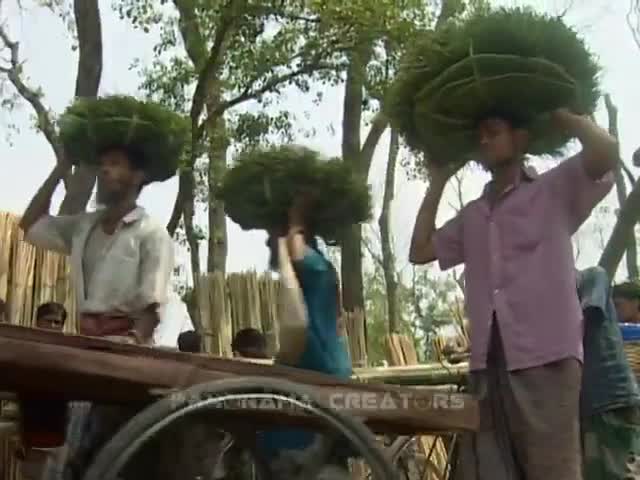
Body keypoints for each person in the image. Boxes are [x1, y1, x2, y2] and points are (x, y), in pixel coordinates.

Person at [411, 108, 617, 480]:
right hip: (488, 363)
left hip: (547, 355)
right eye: (481, 135)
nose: (484, 140)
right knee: (494, 470)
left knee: (553, 470)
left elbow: (605, 155)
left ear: (521, 139)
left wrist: (568, 119)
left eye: (494, 131)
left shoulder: (553, 189)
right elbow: (420, 250)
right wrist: (438, 181)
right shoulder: (474, 215)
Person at [20, 147, 174, 480]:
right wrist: (61, 167)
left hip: (124, 353)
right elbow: (30, 224)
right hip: (83, 352)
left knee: (107, 456)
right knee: (74, 454)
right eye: (102, 164)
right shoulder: (84, 225)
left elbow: (151, 310)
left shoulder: (152, 233)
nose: (105, 171)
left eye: (115, 165)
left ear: (138, 177)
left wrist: (125, 361)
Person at [257, 194, 352, 477]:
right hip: (311, 373)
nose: (267, 243)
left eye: (270, 236)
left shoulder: (315, 265)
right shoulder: (318, 270)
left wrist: (295, 220)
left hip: (317, 373)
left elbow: (298, 253)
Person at [577, 266, 640, 480]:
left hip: (612, 398)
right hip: (595, 404)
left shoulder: (593, 276)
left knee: (619, 473)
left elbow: (586, 317)